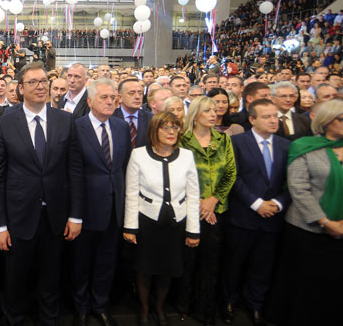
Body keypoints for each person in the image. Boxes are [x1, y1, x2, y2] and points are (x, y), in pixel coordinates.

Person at [0, 61, 83, 325]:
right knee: (16, 278)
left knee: (51, 278)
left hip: (56, 216)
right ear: (20, 88)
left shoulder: (66, 121)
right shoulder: (5, 123)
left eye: (43, 81)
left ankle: (49, 319)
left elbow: (75, 171)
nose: (40, 86)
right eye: (33, 82)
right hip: (18, 217)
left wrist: (76, 216)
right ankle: (15, 318)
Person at [272, 99, 343, 325]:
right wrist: (325, 222)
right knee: (305, 283)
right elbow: (298, 188)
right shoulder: (303, 146)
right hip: (308, 230)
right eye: (342, 119)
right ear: (326, 121)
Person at [124, 111, 200, 325]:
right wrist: (130, 228)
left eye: (174, 127)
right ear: (154, 130)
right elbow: (132, 193)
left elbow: (193, 195)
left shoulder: (186, 156)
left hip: (176, 223)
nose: (171, 132)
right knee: (144, 269)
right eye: (165, 127)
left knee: (167, 270)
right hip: (147, 222)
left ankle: (159, 308)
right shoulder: (139, 155)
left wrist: (193, 230)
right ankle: (144, 310)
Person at [222, 99, 291, 326]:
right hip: (244, 214)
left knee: (263, 264)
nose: (273, 121)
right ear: (252, 119)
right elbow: (233, 177)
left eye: (275, 116)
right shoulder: (237, 142)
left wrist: (278, 204)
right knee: (234, 262)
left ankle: (255, 304)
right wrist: (256, 203)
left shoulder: (285, 145)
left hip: (273, 216)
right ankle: (229, 301)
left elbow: (292, 181)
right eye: (266, 117)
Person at [72, 79, 131, 326]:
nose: (110, 101)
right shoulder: (76, 127)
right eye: (104, 97)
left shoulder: (121, 127)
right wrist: (74, 213)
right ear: (89, 101)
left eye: (113, 97)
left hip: (114, 207)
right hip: (86, 209)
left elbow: (123, 167)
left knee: (107, 261)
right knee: (81, 262)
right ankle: (81, 307)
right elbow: (73, 173)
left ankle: (100, 305)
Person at [178, 96, 236, 325]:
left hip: (217, 210)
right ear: (195, 115)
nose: (214, 114)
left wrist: (213, 199)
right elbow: (178, 176)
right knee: (188, 260)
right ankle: (184, 305)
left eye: (215, 110)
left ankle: (205, 309)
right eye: (207, 111)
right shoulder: (182, 140)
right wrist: (200, 202)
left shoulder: (223, 139)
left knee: (210, 261)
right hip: (188, 209)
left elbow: (230, 172)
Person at [113, 78, 153, 148]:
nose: (137, 97)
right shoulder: (110, 118)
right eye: (131, 93)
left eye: (140, 93)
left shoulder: (151, 119)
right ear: (120, 98)